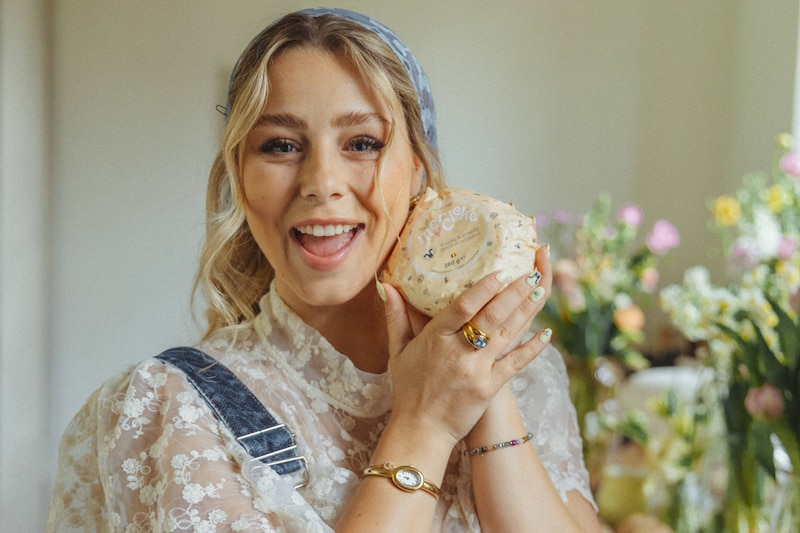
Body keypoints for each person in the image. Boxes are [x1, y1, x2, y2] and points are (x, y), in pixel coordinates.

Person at [47, 7, 601, 532]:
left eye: (362, 143)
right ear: (239, 175)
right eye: (281, 146)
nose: (321, 182)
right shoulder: (168, 407)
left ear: (416, 171)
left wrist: (478, 382)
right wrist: (426, 424)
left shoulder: (526, 375)